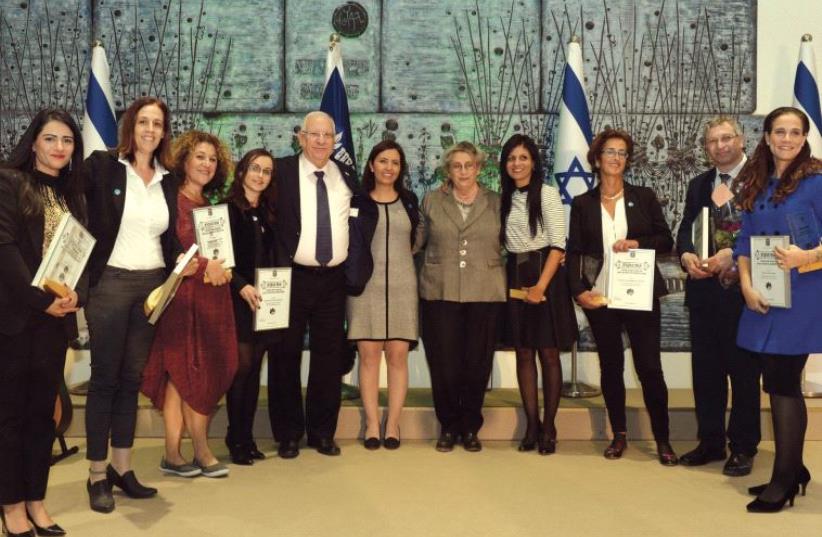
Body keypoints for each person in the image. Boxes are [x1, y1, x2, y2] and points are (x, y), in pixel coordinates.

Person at [83, 97, 185, 513]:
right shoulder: (103, 166)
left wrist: (185, 260)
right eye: (143, 121)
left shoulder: (168, 178)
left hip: (152, 288)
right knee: (105, 379)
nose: (150, 129)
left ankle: (121, 469)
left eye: (157, 123)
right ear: (131, 126)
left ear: (164, 131)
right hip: (110, 284)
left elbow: (168, 237)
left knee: (132, 379)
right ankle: (95, 473)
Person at [566, 128, 678, 466]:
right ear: (597, 159)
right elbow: (573, 252)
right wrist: (578, 291)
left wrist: (637, 244)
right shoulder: (582, 203)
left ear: (627, 161)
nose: (616, 158)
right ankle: (619, 435)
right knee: (611, 367)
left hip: (640, 294)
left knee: (649, 368)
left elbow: (666, 240)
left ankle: (663, 439)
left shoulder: (643, 196)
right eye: (610, 152)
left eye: (622, 153)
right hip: (601, 297)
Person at [270, 111, 375, 458]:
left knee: (328, 360)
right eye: (313, 134)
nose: (320, 141)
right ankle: (287, 434)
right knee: (284, 356)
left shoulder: (345, 174)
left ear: (335, 140)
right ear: (300, 137)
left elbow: (361, 217)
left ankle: (322, 432)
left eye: (327, 135)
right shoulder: (282, 172)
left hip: (332, 280)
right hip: (292, 277)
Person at [0, 109, 85, 537]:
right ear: (33, 142)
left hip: (55, 325)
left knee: (42, 418)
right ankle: (11, 508)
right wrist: (40, 302)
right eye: (50, 138)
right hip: (15, 321)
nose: (58, 148)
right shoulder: (9, 182)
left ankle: (36, 501)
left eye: (67, 140)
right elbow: (5, 251)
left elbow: (82, 257)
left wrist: (76, 296)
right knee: (10, 417)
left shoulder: (72, 194)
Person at [733, 106, 822, 513]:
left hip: (803, 297)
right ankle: (793, 468)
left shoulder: (817, 181)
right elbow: (744, 243)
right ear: (767, 137)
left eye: (795, 132)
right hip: (764, 296)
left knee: (784, 383)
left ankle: (784, 480)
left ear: (805, 138)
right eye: (779, 132)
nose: (787, 139)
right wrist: (747, 285)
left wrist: (807, 255)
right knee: (775, 380)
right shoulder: (757, 182)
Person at [141, 130, 238, 478]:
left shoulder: (212, 209)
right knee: (184, 373)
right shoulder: (168, 201)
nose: (207, 164)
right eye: (200, 156)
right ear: (184, 159)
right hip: (181, 301)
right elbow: (165, 251)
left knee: (195, 373)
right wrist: (193, 265)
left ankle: (174, 454)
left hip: (212, 301)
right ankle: (197, 450)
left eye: (212, 159)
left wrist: (223, 269)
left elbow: (220, 258)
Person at [676, 116, 760, 476]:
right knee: (706, 373)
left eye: (727, 138)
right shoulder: (699, 184)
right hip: (704, 295)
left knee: (743, 374)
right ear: (705, 147)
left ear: (741, 140)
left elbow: (769, 233)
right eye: (713, 141)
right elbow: (685, 229)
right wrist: (686, 256)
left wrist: (735, 253)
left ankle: (743, 447)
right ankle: (710, 442)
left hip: (743, 294)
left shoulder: (762, 180)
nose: (720, 145)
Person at [418, 141, 506, 453]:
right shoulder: (430, 201)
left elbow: (518, 240)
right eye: (457, 166)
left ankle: (470, 427)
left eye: (469, 165)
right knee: (444, 364)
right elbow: (414, 243)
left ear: (479, 169)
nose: (463, 171)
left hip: (485, 292)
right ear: (449, 170)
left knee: (476, 364)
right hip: (439, 292)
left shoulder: (497, 202)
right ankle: (448, 426)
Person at [499, 134, 577, 455]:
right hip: (516, 274)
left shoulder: (546, 194)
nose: (517, 164)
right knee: (523, 352)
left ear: (533, 161)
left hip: (546, 276)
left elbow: (559, 245)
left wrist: (541, 286)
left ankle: (550, 425)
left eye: (523, 158)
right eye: (511, 158)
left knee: (547, 353)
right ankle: (531, 424)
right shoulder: (503, 198)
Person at [346, 140, 420, 450]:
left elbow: (417, 242)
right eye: (383, 161)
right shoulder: (357, 202)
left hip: (403, 288)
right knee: (369, 357)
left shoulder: (410, 201)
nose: (389, 167)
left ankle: (393, 424)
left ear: (400, 169)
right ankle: (373, 424)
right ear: (372, 165)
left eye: (395, 163)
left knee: (398, 357)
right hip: (366, 289)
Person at [223, 148, 278, 465]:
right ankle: (235, 437)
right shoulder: (228, 211)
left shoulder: (269, 213)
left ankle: (246, 437)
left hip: (265, 302)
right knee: (240, 370)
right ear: (242, 172)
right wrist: (240, 284)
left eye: (267, 171)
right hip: (236, 300)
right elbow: (218, 260)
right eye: (255, 168)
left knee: (255, 369)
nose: (260, 175)